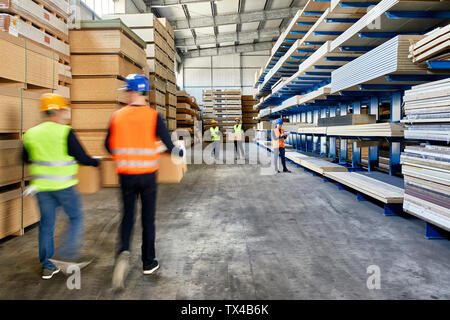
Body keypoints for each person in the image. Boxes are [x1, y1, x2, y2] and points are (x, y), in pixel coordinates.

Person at [105, 74, 183, 289]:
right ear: (145, 93)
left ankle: (122, 253)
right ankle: (148, 262)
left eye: (128, 91)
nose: (127, 94)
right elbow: (169, 146)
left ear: (132, 92)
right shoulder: (153, 117)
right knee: (148, 220)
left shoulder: (117, 116)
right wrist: (177, 149)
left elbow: (108, 145)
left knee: (127, 217)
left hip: (125, 176)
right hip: (148, 176)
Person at [22, 93, 99, 280]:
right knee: (76, 218)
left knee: (46, 226)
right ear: (57, 111)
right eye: (64, 110)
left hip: (42, 188)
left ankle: (48, 266)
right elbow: (82, 157)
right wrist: (96, 163)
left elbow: (24, 158)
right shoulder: (65, 132)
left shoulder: (31, 134)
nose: (65, 114)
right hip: (64, 187)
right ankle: (68, 253)